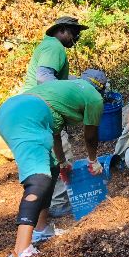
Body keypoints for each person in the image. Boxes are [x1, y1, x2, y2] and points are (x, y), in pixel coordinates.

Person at [0, 69, 107, 257]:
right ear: (101, 89)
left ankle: (41, 230)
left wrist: (62, 162)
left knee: (51, 168)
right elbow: (90, 135)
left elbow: (55, 131)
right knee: (39, 179)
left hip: (12, 110)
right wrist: (93, 161)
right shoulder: (94, 98)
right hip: (26, 116)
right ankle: (21, 250)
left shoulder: (67, 89)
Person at [23, 16, 89, 218]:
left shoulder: (48, 46)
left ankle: (47, 204)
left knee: (46, 157)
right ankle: (59, 203)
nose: (75, 38)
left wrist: (79, 81)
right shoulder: (54, 48)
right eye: (74, 33)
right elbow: (44, 77)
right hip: (42, 106)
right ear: (61, 30)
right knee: (62, 155)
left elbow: (56, 77)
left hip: (31, 106)